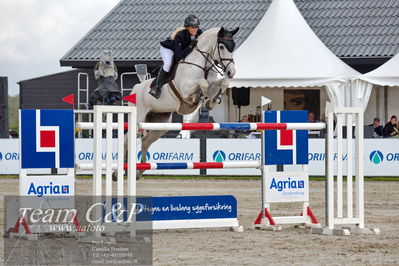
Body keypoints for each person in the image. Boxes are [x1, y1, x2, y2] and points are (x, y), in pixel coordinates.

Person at [149, 15, 203, 99]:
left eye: (196, 26)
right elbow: (178, 57)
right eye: (192, 27)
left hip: (180, 49)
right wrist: (190, 47)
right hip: (168, 49)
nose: (195, 29)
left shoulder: (199, 33)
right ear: (187, 27)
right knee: (168, 64)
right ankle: (156, 88)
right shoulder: (180, 35)